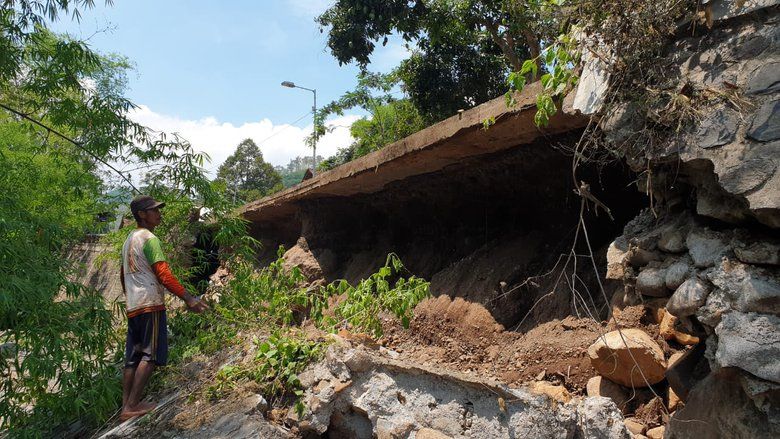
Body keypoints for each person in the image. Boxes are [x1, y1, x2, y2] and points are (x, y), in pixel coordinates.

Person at [119, 195, 208, 421]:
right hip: (150, 304)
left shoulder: (129, 239)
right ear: (142, 214)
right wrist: (188, 298)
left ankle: (125, 407)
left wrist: (130, 295)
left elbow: (122, 275)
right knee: (150, 355)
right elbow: (164, 274)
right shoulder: (149, 239)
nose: (159, 214)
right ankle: (132, 406)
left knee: (133, 357)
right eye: (154, 210)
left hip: (133, 305)